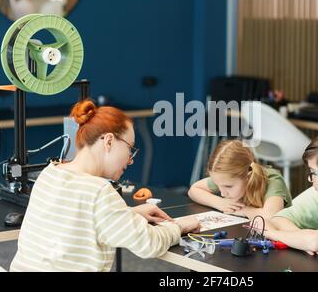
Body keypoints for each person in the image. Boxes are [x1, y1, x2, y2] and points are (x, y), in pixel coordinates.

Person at [10, 100, 199, 271]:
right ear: (108, 141)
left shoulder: (50, 172)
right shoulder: (98, 190)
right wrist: (179, 227)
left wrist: (128, 215)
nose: (130, 160)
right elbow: (148, 244)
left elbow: (75, 220)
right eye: (130, 148)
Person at [188, 140, 292, 220]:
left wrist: (244, 210)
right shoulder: (225, 179)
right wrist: (219, 202)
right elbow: (193, 190)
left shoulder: (272, 180)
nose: (223, 193)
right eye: (217, 185)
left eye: (228, 186)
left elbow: (270, 216)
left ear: (248, 175)